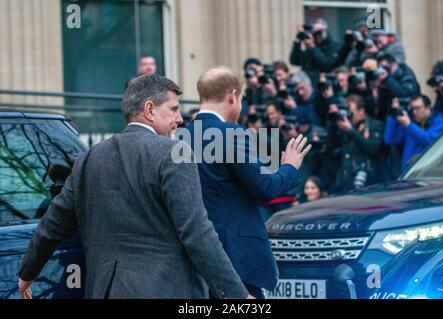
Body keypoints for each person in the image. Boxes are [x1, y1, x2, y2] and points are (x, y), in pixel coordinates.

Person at [18, 74, 252, 299]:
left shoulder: (89, 159)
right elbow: (198, 234)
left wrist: (27, 273)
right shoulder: (174, 154)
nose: (180, 119)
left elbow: (53, 224)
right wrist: (237, 294)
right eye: (173, 109)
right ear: (150, 110)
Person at [186, 66, 312, 299]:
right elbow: (264, 188)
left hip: (197, 256)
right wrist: (290, 167)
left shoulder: (181, 136)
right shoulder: (232, 134)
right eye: (241, 98)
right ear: (232, 96)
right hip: (237, 256)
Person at [384, 94, 443, 172]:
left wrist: (409, 125)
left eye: (417, 108)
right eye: (412, 108)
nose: (414, 112)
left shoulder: (439, 121)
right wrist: (393, 115)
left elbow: (430, 141)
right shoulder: (411, 123)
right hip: (408, 172)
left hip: (429, 172)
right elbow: (390, 139)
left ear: (428, 107)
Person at [290, 19, 340, 86]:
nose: (317, 36)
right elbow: (294, 60)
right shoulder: (312, 48)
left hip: (325, 84)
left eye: (319, 33)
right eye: (315, 33)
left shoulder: (334, 46)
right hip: (308, 84)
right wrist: (298, 41)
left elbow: (327, 65)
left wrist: (312, 47)